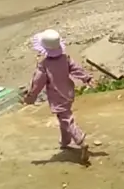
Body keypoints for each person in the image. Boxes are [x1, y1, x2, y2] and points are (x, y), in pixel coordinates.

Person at [23, 29, 94, 163]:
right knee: (63, 117)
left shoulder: (44, 65)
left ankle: (80, 140)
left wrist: (31, 97)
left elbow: (37, 83)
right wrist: (87, 78)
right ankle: (65, 141)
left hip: (57, 97)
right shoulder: (66, 59)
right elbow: (76, 69)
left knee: (66, 119)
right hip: (68, 93)